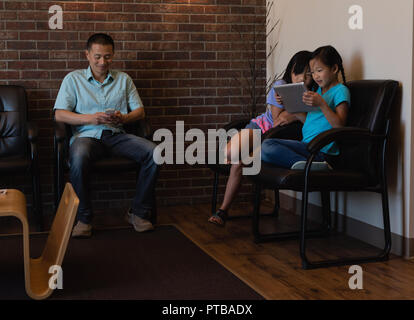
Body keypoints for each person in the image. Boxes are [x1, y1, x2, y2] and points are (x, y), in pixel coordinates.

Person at [54, 33, 158, 238]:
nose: (103, 62)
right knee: (78, 157)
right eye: (98, 56)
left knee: (155, 153)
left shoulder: (124, 79)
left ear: (114, 55)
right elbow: (59, 114)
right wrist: (90, 118)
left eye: (108, 57)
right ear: (87, 55)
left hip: (117, 136)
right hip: (86, 137)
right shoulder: (73, 79)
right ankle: (84, 218)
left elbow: (140, 112)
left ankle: (138, 213)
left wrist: (124, 118)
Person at [208, 51, 316, 226]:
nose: (302, 78)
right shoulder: (281, 85)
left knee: (238, 163)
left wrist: (293, 115)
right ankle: (246, 151)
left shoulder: (313, 94)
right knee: (230, 153)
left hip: (278, 139)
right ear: (291, 70)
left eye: (308, 74)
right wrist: (296, 112)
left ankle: (223, 211)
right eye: (298, 72)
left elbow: (302, 120)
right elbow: (276, 121)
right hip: (261, 128)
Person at [261, 45, 350, 171]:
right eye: (313, 73)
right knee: (265, 146)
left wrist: (322, 104)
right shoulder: (318, 91)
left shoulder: (341, 91)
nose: (315, 76)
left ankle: (309, 165)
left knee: (268, 146)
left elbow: (340, 126)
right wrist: (288, 102)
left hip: (322, 150)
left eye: (319, 71)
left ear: (334, 68)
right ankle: (308, 165)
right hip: (306, 146)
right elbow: (307, 121)